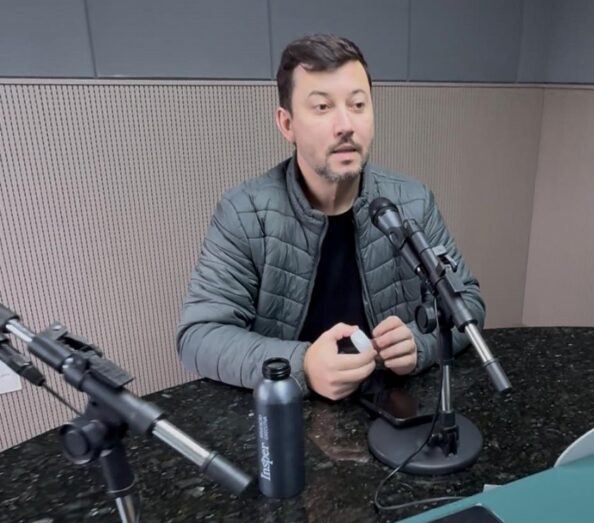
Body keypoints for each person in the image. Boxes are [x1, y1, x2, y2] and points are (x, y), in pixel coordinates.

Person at [176, 34, 485, 401]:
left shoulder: (412, 201)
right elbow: (200, 336)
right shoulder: (244, 213)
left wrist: (421, 343)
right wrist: (302, 365)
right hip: (290, 412)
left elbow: (467, 303)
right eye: (322, 107)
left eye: (358, 105)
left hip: (395, 409)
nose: (345, 125)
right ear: (287, 123)